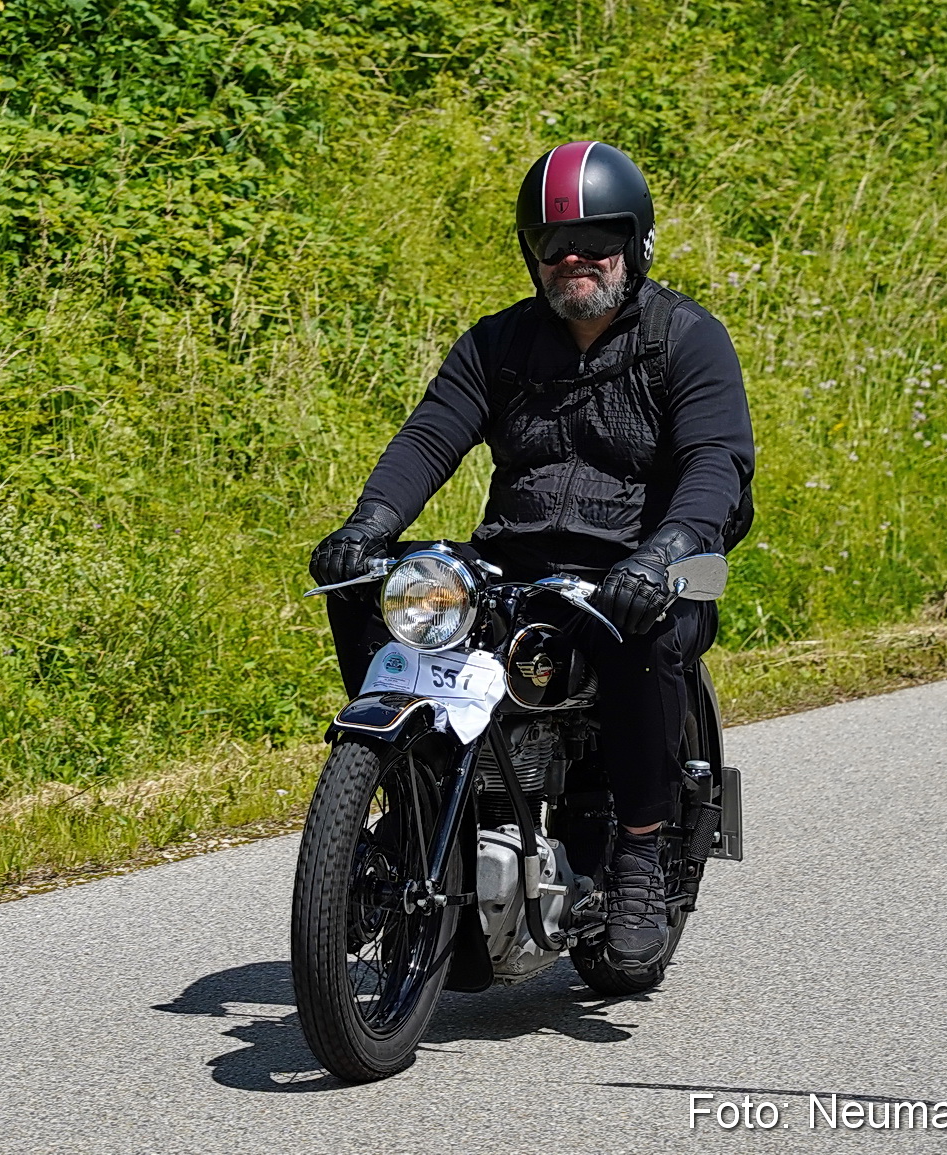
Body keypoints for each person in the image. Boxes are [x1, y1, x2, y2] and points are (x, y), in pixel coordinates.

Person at [308, 141, 755, 976]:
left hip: (643, 568)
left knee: (645, 633)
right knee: (370, 587)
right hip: (519, 565)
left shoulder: (687, 339)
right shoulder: (500, 343)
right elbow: (430, 437)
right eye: (555, 243)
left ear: (636, 243)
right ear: (532, 253)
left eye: (596, 241)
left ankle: (639, 855)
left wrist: (662, 553)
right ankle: (413, 802)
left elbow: (714, 466)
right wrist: (368, 523)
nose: (574, 258)